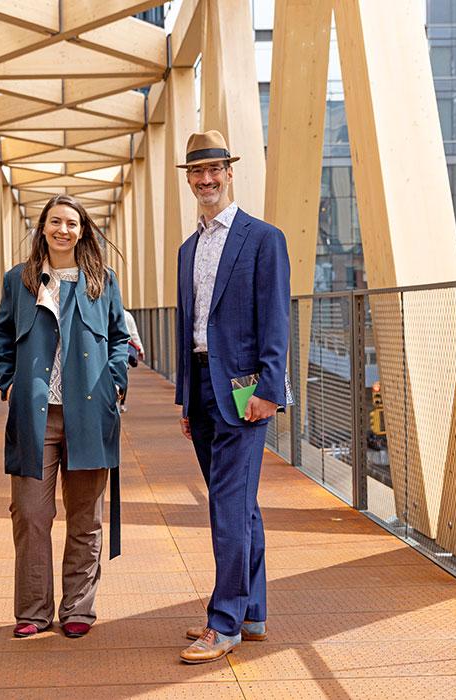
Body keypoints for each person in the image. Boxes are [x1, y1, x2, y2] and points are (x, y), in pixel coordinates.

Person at [173, 131, 290, 664]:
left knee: (227, 508)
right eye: (197, 172)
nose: (206, 180)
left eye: (214, 169)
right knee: (242, 508)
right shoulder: (187, 249)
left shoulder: (263, 239)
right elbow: (189, 326)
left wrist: (270, 389)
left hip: (245, 394)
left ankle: (223, 625)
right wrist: (184, 398)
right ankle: (253, 612)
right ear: (189, 178)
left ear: (229, 172)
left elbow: (275, 321)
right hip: (201, 390)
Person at [0, 194, 130, 640]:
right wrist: (8, 381)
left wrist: (115, 382)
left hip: (90, 413)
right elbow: (1, 336)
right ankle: (33, 610)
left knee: (85, 516)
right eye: (55, 222)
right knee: (31, 513)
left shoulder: (102, 281)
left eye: (72, 223)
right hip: (35, 415)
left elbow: (118, 337)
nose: (63, 230)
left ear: (83, 230)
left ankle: (78, 608)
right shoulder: (20, 281)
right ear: (43, 228)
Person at [120, 310, 144, 412]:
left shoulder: (107, 312)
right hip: (125, 348)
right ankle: (121, 403)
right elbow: (134, 334)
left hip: (111, 349)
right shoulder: (127, 315)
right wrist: (140, 349)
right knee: (122, 375)